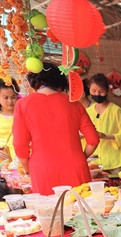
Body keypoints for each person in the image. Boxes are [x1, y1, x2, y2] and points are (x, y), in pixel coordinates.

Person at [12, 62, 99, 194]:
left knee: (49, 211)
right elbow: (93, 140)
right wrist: (82, 157)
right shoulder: (74, 104)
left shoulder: (22, 105)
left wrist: (28, 168)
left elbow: (19, 144)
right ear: (59, 82)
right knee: (80, 210)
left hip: (41, 168)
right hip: (75, 165)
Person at [86, 73, 121, 174]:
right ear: (89, 89)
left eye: (101, 91)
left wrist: (107, 136)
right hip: (94, 162)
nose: (97, 94)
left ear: (107, 91)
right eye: (94, 91)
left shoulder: (116, 111)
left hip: (114, 162)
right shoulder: (88, 111)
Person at [0, 78, 19, 163]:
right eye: (5, 98)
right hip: (2, 160)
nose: (10, 101)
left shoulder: (23, 114)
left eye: (13, 97)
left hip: (20, 160)